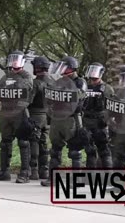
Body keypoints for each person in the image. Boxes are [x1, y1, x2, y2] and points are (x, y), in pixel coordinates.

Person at [41, 56, 87, 187]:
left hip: (71, 119)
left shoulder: (80, 81)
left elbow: (79, 96)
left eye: (65, 67)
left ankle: (76, 180)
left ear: (72, 68)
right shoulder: (58, 81)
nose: (62, 70)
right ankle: (52, 178)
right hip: (57, 118)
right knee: (55, 149)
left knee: (74, 150)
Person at [0, 50, 33, 183]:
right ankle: (4, 171)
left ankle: (25, 172)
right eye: (12, 59)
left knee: (23, 142)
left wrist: (10, 86)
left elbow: (26, 87)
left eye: (17, 59)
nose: (14, 63)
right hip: (6, 112)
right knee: (5, 142)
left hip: (20, 112)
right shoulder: (6, 76)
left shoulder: (26, 76)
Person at [28, 56, 55, 180]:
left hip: (36, 115)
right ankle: (44, 170)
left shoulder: (35, 83)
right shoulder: (54, 82)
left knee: (34, 142)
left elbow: (28, 100)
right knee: (44, 143)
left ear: (37, 67)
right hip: (49, 117)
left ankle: (34, 170)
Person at [83, 63, 114, 168]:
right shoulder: (86, 86)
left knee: (104, 149)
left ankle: (108, 176)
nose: (92, 76)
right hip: (87, 121)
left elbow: (111, 107)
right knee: (89, 149)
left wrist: (107, 120)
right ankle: (89, 176)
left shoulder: (106, 88)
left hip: (100, 121)